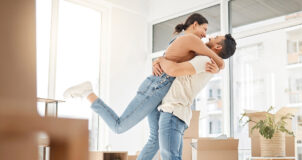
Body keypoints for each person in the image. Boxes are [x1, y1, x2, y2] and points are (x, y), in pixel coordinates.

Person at [63, 13, 223, 160]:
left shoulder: (187, 42)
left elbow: (170, 58)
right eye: (204, 29)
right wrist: (217, 67)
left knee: (155, 140)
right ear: (195, 24)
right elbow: (217, 60)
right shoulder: (191, 39)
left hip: (160, 91)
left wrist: (159, 60)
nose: (205, 34)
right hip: (155, 88)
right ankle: (88, 93)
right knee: (119, 126)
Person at [150, 34, 236, 160]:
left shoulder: (205, 60)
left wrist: (161, 60)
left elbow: (173, 70)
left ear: (218, 46)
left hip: (172, 112)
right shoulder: (206, 60)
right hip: (177, 114)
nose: (210, 37)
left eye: (216, 37)